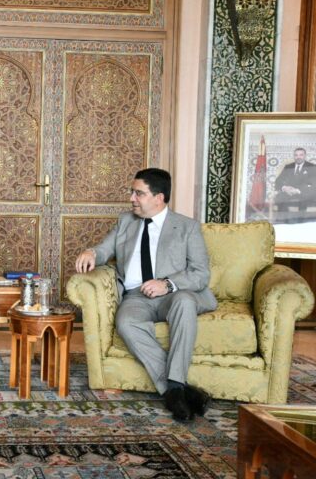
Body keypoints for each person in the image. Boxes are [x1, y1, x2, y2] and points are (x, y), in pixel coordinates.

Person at [74, 168, 216, 422]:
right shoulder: (126, 221)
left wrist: (167, 284)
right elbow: (104, 249)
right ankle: (176, 390)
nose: (132, 198)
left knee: (184, 302)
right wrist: (91, 253)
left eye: (139, 193)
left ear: (159, 198)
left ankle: (175, 386)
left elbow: (200, 273)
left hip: (175, 294)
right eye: (132, 192)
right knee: (126, 322)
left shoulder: (187, 227)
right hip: (137, 296)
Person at [273, 147, 316, 223]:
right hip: (289, 192)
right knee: (280, 197)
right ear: (294, 156)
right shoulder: (288, 166)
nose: (298, 157)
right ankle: (283, 221)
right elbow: (278, 181)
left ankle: (300, 222)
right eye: (296, 155)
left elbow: (312, 183)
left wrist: (297, 190)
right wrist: (285, 188)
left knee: (304, 198)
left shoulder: (311, 166)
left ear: (305, 156)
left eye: (301, 155)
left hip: (304, 192)